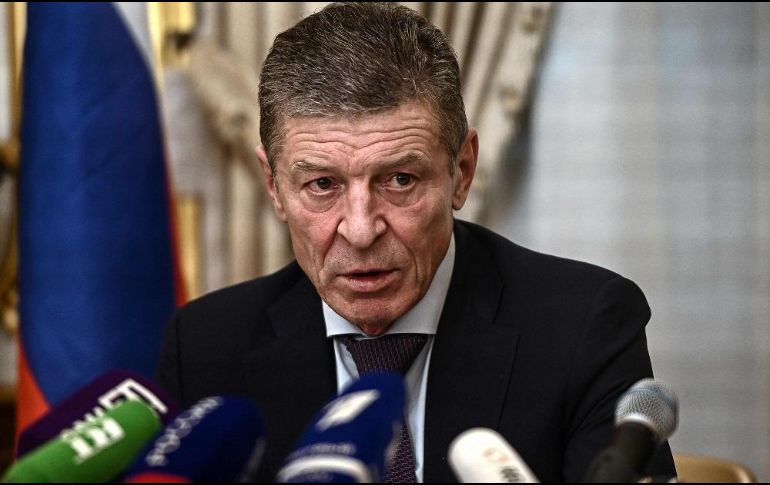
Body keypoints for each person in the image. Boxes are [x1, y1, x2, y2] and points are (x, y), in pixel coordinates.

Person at [157, 3, 676, 482]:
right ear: (275, 187)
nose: (360, 231)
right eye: (322, 185)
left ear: (462, 172)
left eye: (399, 180)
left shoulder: (583, 325)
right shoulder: (205, 348)